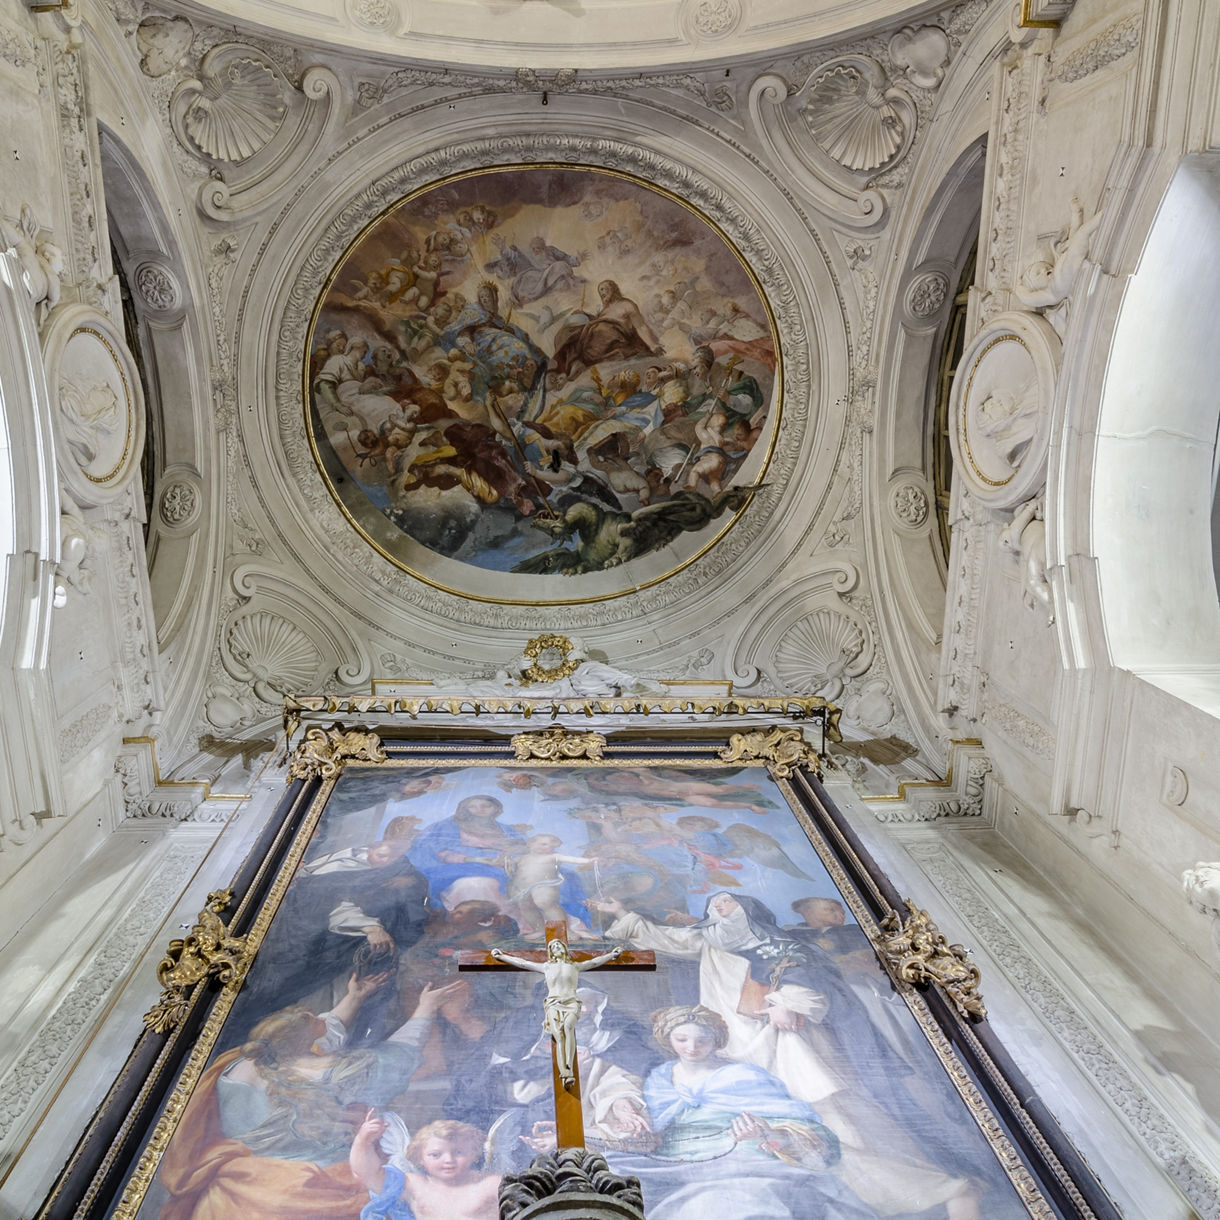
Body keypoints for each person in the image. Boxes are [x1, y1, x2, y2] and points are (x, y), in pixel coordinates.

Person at [590, 891, 984, 1219]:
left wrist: (787, 1002)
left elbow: (818, 984)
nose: (720, 909)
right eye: (715, 906)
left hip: (787, 1048)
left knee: (834, 1124)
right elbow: (663, 938)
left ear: (749, 912)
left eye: (728, 903)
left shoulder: (781, 946)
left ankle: (938, 1188)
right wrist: (621, 913)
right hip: (734, 1050)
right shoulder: (708, 942)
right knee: (774, 1133)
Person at [156, 979, 463, 1220]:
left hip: (239, 1192)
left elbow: (315, 1033)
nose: (321, 1020)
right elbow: (400, 1051)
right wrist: (426, 1007)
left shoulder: (238, 1064)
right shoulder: (337, 1072)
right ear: (304, 1038)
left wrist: (353, 998)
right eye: (313, 1020)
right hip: (318, 1191)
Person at [612, 1005, 879, 1220]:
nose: (691, 1047)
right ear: (668, 1040)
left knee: (732, 1206)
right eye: (682, 1039)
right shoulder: (659, 1078)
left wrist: (768, 1132)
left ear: (716, 1041)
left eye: (702, 1040)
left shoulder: (742, 1075)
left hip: (740, 1158)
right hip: (673, 1162)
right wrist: (638, 1130)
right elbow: (656, 1124)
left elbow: (808, 1131)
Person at [489, 938, 624, 1087]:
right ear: (551, 951)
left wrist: (612, 955)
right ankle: (565, 1072)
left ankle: (568, 1070)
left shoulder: (574, 966)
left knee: (568, 1030)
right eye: (555, 947)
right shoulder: (547, 967)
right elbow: (523, 963)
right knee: (559, 1036)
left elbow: (594, 962)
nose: (585, 1009)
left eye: (590, 1002)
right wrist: (501, 957)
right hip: (554, 1004)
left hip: (571, 1003)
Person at [351, 1116, 500, 1220]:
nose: (448, 1160)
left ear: (474, 1154)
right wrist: (363, 1141)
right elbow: (368, 1173)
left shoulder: (490, 1184)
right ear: (420, 1159)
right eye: (435, 1155)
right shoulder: (415, 1185)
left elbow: (522, 1197)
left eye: (458, 1152)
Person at [409, 794, 526, 910]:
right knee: (477, 884)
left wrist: (508, 858)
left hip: (503, 866)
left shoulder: (507, 829)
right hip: (463, 866)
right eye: (473, 806)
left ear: (496, 808)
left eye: (486, 806)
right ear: (465, 809)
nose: (480, 810)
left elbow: (522, 848)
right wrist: (475, 859)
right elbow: (436, 850)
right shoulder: (449, 826)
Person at [551, 280, 661, 380]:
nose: (602, 292)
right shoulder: (605, 309)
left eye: (604, 288)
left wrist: (652, 345)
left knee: (601, 331)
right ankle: (567, 363)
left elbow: (640, 326)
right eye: (600, 291)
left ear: (613, 288)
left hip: (615, 333)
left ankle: (581, 361)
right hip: (596, 329)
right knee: (567, 332)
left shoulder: (627, 304)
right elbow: (596, 321)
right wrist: (584, 314)